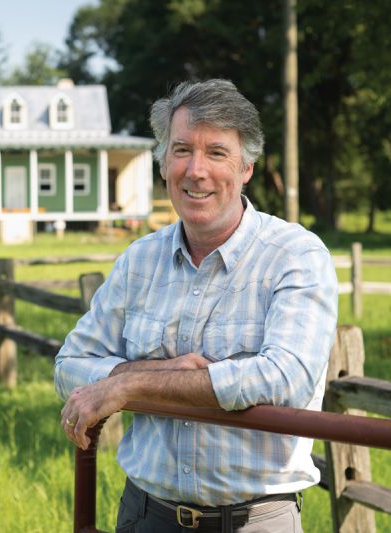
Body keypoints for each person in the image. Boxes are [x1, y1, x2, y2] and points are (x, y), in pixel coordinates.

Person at [55, 79, 338, 532]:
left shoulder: (295, 255)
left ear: (246, 167)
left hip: (254, 521)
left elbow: (288, 378)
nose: (196, 170)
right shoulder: (139, 260)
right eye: (182, 149)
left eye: (217, 153)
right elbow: (69, 364)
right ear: (164, 162)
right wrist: (156, 374)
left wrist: (129, 387)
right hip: (146, 515)